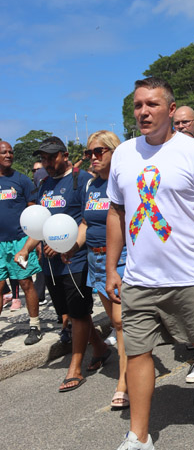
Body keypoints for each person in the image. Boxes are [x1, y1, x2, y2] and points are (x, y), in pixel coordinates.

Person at [98, 77, 194, 450]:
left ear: (171, 110)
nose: (143, 111)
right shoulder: (123, 154)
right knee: (138, 351)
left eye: (152, 104)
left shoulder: (193, 152)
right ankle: (139, 439)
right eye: (138, 105)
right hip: (140, 279)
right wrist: (112, 267)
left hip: (192, 274)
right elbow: (117, 213)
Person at [15, 136, 110, 390]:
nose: (46, 162)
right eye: (43, 158)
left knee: (78, 313)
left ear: (64, 155)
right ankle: (100, 348)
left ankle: (75, 368)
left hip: (75, 260)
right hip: (50, 264)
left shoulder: (81, 182)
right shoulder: (44, 185)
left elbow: (86, 220)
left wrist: (66, 245)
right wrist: (26, 249)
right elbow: (41, 224)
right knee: (68, 314)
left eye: (51, 157)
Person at [82, 131, 129, 409]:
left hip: (120, 259)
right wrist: (70, 247)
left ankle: (124, 380)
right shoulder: (89, 186)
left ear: (114, 151)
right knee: (115, 322)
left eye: (99, 151)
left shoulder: (122, 183)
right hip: (94, 261)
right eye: (89, 153)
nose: (93, 157)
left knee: (122, 323)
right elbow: (86, 224)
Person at [0, 141, 42, 343]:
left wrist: (34, 243)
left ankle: (35, 326)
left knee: (26, 283)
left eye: (11, 152)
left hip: (20, 242)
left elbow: (33, 213)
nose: (8, 155)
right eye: (4, 152)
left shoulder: (22, 180)